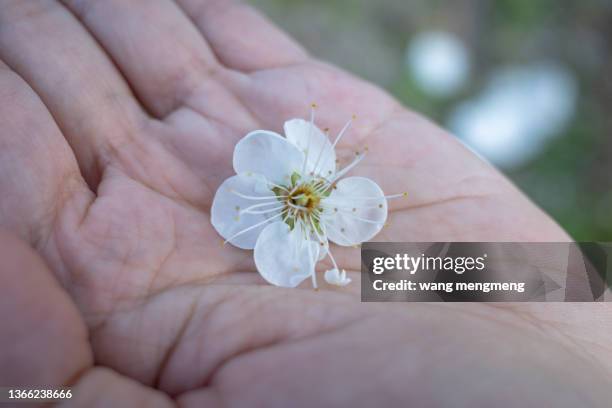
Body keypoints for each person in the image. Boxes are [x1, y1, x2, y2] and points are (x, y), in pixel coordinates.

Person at [0, 1, 609, 406]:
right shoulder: (386, 265)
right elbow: (570, 280)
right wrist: (582, 322)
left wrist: (572, 339)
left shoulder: (363, 251)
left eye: (307, 195)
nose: (304, 194)